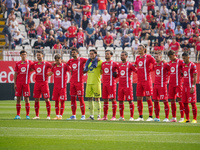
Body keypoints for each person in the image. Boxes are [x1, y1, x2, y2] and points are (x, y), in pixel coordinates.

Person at [134, 44, 156, 121]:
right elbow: (135, 66)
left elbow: (155, 63)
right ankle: (140, 116)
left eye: (140, 48)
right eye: (138, 48)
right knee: (139, 98)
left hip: (147, 81)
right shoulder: (137, 58)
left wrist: (151, 69)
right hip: (139, 81)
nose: (139, 50)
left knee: (148, 97)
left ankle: (150, 116)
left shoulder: (149, 57)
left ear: (144, 49)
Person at [66, 48, 87, 120]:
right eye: (72, 52)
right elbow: (66, 66)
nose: (73, 53)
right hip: (72, 82)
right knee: (72, 99)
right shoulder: (70, 61)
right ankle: (73, 115)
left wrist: (85, 69)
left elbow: (89, 61)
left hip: (79, 82)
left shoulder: (81, 59)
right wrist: (69, 69)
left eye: (74, 52)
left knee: (81, 99)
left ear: (77, 53)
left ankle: (83, 115)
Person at [48, 54, 71, 120]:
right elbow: (51, 73)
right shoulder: (54, 66)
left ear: (61, 59)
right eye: (56, 60)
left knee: (62, 101)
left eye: (59, 60)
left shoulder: (64, 65)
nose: (58, 61)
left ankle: (61, 115)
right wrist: (47, 75)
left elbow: (71, 69)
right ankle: (57, 115)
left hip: (62, 86)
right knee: (56, 101)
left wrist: (66, 62)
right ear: (55, 60)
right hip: (56, 86)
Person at [32, 51, 51, 120]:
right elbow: (30, 69)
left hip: (44, 83)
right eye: (37, 55)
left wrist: (50, 73)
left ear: (42, 56)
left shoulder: (46, 63)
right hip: (37, 83)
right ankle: (37, 115)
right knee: (36, 99)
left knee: (46, 99)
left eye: (39, 55)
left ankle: (48, 115)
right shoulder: (35, 64)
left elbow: (54, 67)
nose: (38, 56)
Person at [117, 51, 136, 121]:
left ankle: (131, 117)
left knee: (130, 100)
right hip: (120, 85)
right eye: (121, 55)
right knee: (120, 101)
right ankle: (121, 116)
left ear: (126, 56)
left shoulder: (130, 65)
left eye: (123, 55)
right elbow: (118, 75)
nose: (121, 56)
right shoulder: (119, 65)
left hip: (128, 85)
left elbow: (136, 70)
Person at [14, 50, 33, 120]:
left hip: (26, 83)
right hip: (18, 83)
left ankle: (27, 115)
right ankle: (18, 115)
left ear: (26, 55)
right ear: (20, 55)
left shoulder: (29, 62)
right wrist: (15, 83)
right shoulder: (17, 63)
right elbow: (15, 74)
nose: (23, 55)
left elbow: (34, 67)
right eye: (22, 54)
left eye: (24, 54)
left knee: (26, 99)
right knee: (18, 99)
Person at [99, 50, 118, 120]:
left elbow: (120, 70)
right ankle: (105, 116)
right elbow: (101, 72)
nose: (106, 55)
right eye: (105, 54)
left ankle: (114, 116)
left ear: (111, 55)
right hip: (104, 84)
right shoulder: (103, 64)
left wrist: (116, 75)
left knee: (113, 99)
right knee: (105, 100)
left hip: (111, 84)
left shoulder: (114, 63)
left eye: (108, 54)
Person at [84, 49, 103, 120]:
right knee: (89, 98)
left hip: (96, 82)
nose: (91, 55)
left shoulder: (100, 62)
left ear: (95, 54)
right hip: (89, 82)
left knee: (97, 98)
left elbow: (103, 70)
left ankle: (99, 115)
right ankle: (91, 115)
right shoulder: (88, 62)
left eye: (92, 54)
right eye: (90, 54)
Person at [167, 50, 184, 122]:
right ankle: (174, 117)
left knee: (180, 99)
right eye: (169, 57)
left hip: (178, 84)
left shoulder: (180, 62)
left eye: (171, 57)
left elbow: (184, 70)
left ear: (174, 55)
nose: (170, 58)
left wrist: (182, 73)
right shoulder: (170, 62)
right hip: (171, 84)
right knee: (172, 100)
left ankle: (182, 117)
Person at [152, 52, 170, 122]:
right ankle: (157, 117)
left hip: (162, 85)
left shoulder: (165, 64)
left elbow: (170, 70)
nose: (156, 58)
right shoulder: (155, 65)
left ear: (161, 56)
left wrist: (166, 79)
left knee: (165, 101)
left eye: (157, 56)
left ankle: (166, 117)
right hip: (156, 85)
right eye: (155, 56)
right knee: (156, 101)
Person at [181, 52, 197, 123]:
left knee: (192, 103)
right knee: (184, 103)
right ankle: (187, 119)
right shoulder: (183, 65)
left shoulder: (193, 65)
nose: (183, 60)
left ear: (188, 57)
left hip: (191, 86)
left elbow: (195, 77)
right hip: (185, 86)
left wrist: (193, 87)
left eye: (184, 58)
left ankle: (194, 119)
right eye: (183, 58)